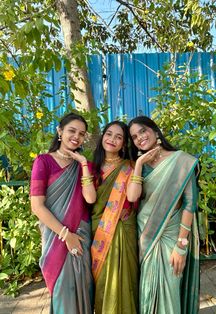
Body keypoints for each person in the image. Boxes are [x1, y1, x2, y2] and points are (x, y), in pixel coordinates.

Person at [127, 116, 200, 314]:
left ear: (155, 131)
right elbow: (133, 196)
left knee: (170, 285)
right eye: (134, 136)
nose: (139, 138)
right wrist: (140, 163)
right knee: (148, 289)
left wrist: (181, 245)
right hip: (146, 234)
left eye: (143, 131)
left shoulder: (182, 161)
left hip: (171, 236)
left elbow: (190, 204)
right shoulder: (138, 166)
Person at [30, 112, 96, 314]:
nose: (76, 136)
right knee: (63, 291)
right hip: (57, 238)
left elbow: (90, 199)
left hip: (82, 236)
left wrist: (84, 164)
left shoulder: (85, 166)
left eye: (82, 133)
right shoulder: (43, 162)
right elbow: (37, 206)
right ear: (60, 131)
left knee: (84, 290)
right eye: (72, 131)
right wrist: (67, 235)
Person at [91, 121, 139, 314]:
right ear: (103, 136)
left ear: (124, 143)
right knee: (103, 283)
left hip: (123, 229)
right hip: (98, 231)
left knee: (126, 279)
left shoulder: (130, 166)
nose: (112, 139)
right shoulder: (91, 167)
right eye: (109, 134)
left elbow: (134, 198)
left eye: (119, 137)